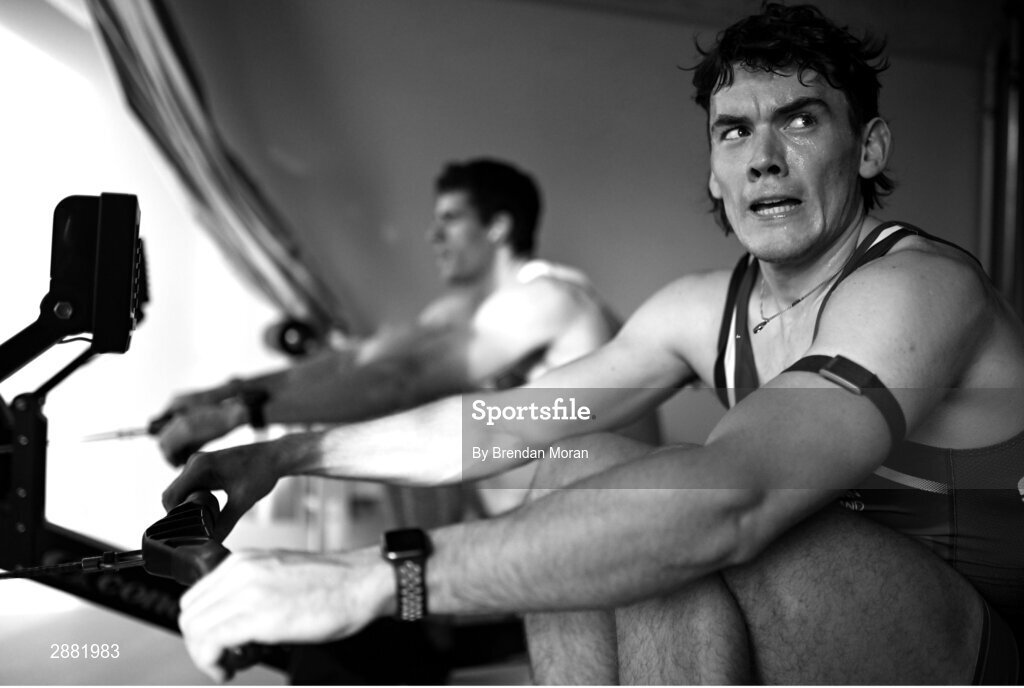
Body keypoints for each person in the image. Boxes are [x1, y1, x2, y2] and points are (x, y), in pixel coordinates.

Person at [165, 4, 1024, 683]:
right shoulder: (698, 312)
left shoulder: (918, 288)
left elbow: (734, 500)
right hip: (819, 626)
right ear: (713, 170)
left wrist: (371, 579)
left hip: (978, 648)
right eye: (734, 131)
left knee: (686, 506)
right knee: (583, 468)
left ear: (868, 149)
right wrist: (286, 454)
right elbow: (498, 425)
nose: (763, 157)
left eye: (800, 122)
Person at [156, 157, 660, 521]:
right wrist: (220, 397)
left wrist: (241, 416)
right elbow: (354, 363)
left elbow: (403, 380)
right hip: (540, 524)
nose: (432, 235)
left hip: (615, 514)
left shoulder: (546, 298)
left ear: (498, 228)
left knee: (424, 409)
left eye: (450, 219)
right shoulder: (462, 313)